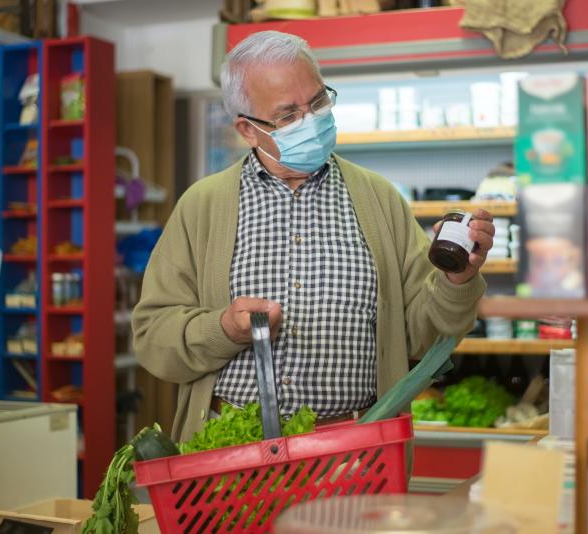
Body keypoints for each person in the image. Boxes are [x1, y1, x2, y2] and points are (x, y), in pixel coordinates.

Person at [132, 31, 495, 441]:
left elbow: (424, 333)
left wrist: (456, 279)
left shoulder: (379, 199)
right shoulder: (202, 206)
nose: (312, 121)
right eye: (288, 116)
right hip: (232, 450)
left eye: (319, 102)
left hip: (356, 452)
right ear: (248, 130)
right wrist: (224, 330)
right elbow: (152, 338)